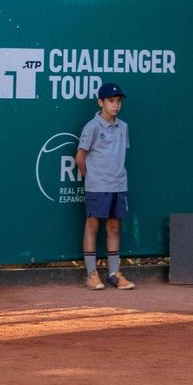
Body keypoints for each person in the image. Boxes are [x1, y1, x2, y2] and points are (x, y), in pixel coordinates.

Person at [76, 82, 133, 290]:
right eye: (111, 101)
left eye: (118, 101)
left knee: (114, 227)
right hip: (97, 186)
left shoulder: (124, 127)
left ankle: (114, 274)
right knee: (92, 225)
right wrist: (91, 178)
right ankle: (91, 274)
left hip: (119, 185)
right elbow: (80, 158)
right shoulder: (91, 127)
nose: (115, 105)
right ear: (101, 102)